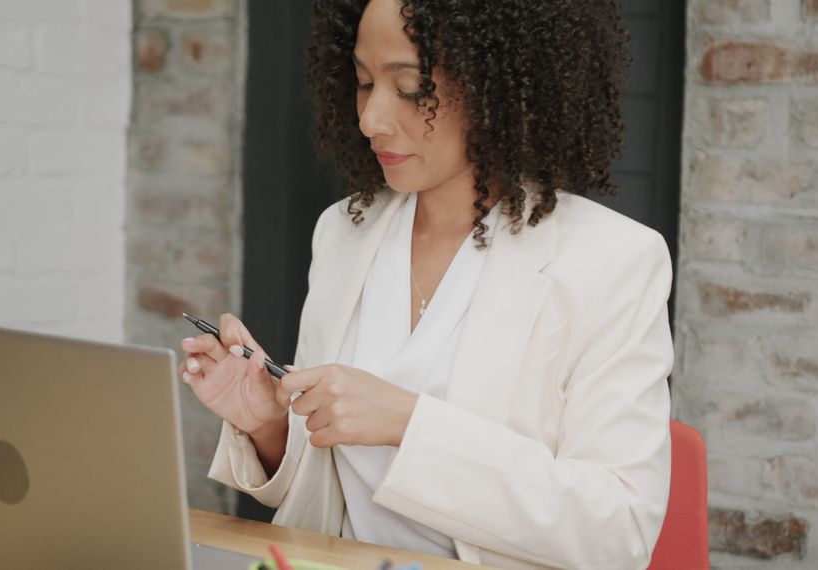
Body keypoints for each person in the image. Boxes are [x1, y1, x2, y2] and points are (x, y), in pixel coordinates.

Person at [178, 0, 673, 567]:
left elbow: (618, 533)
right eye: (364, 83)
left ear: (500, 88)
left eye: (410, 87)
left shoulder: (611, 260)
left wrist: (407, 423)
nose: (371, 119)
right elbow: (326, 514)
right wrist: (271, 428)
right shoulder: (345, 233)